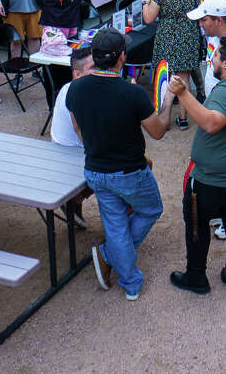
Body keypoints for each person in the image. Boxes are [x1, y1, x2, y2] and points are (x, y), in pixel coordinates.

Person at [67, 29, 174, 301]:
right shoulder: (133, 93)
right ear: (122, 57)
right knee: (151, 209)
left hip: (95, 170)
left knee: (115, 225)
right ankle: (110, 256)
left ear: (95, 56)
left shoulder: (75, 88)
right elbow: (158, 131)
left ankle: (129, 280)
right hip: (129, 171)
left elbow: (77, 128)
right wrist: (169, 99)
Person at [167, 36, 226, 297]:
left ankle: (196, 277)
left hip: (213, 181)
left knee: (197, 224)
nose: (212, 60)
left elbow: (211, 122)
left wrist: (182, 93)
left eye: (216, 56)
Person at [143, 0, 204, 130]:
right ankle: (183, 119)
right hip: (189, 38)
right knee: (184, 78)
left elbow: (148, 19)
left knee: (166, 78)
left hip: (167, 39)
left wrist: (145, 4)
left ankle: (164, 118)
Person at [49, 46, 95, 227]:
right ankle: (76, 198)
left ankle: (75, 200)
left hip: (62, 148)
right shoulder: (81, 93)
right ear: (76, 74)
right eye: (93, 67)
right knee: (135, 164)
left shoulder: (68, 87)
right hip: (71, 155)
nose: (99, 70)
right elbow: (83, 133)